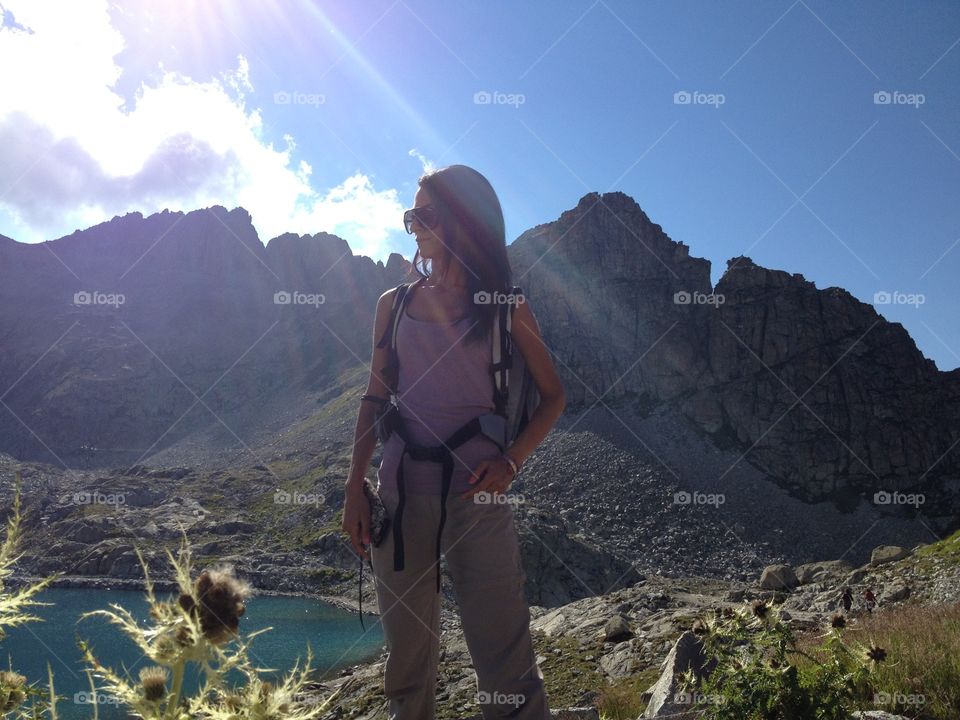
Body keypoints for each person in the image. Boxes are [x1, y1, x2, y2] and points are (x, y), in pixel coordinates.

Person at [342, 164, 566, 720]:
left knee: (505, 662)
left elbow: (554, 397)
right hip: (398, 495)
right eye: (410, 216)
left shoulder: (506, 306)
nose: (415, 226)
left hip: (478, 497)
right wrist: (353, 488)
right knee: (406, 670)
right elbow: (374, 399)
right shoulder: (391, 306)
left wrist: (511, 463)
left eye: (428, 214)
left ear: (466, 220)